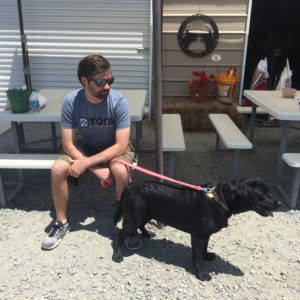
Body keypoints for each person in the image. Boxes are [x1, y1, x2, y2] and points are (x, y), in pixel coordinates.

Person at [41, 54, 137, 250]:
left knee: (120, 171)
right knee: (57, 168)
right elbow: (68, 145)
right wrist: (93, 167)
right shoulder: (71, 101)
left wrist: (86, 163)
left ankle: (128, 222)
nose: (107, 86)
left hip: (114, 147)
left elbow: (121, 145)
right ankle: (61, 222)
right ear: (84, 81)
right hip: (87, 146)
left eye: (110, 80)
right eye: (101, 82)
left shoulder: (119, 102)